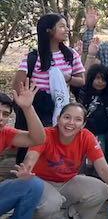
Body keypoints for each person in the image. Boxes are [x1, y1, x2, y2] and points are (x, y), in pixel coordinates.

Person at [20, 103, 108, 219]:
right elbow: (31, 157)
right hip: (42, 183)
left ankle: (71, 215)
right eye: (67, 117)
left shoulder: (86, 137)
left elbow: (103, 168)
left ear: (83, 124)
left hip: (67, 182)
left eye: (78, 119)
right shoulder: (45, 134)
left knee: (102, 190)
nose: (71, 123)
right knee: (51, 204)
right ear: (58, 119)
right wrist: (26, 169)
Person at [14, 13, 84, 163]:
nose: (66, 30)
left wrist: (67, 78)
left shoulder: (71, 55)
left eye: (66, 26)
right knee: (32, 142)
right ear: (49, 30)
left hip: (60, 106)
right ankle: (24, 170)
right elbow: (17, 85)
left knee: (53, 142)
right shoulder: (33, 57)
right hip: (35, 108)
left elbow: (81, 81)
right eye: (62, 26)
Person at [0, 83, 46, 219]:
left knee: (33, 185)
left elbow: (38, 139)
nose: (1, 117)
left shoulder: (5, 133)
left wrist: (27, 108)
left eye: (5, 114)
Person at [78, 63, 108, 137]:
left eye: (103, 79)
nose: (100, 82)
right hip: (82, 131)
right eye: (97, 78)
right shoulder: (82, 93)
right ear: (91, 78)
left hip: (102, 133)